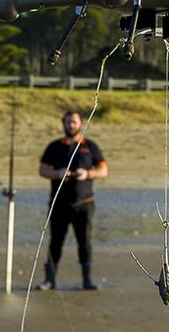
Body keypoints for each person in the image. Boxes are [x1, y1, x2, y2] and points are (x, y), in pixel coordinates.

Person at [37, 111, 109, 291]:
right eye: (68, 122)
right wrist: (58, 173)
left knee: (84, 242)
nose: (71, 125)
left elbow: (103, 170)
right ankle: (49, 280)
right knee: (55, 242)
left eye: (74, 122)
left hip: (84, 203)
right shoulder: (54, 146)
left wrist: (88, 174)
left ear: (80, 123)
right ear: (63, 123)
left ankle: (87, 280)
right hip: (59, 203)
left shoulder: (90, 146)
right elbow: (43, 170)